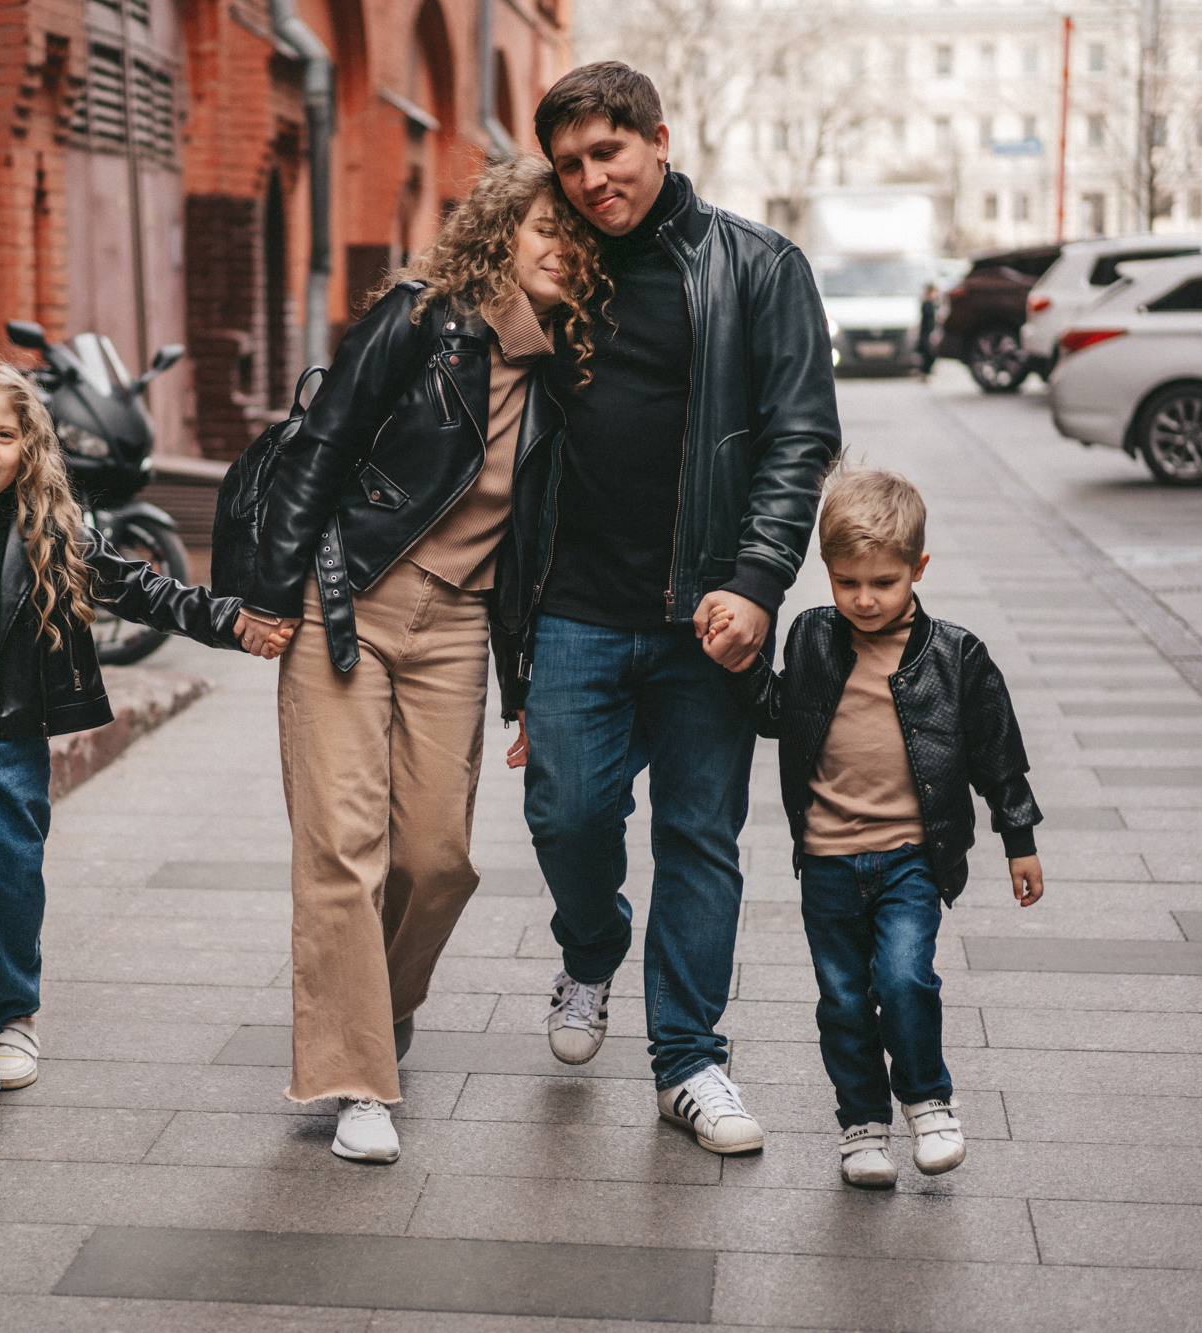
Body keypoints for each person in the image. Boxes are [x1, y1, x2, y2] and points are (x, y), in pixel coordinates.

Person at [498, 62, 840, 1156]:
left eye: (608, 152)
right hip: (573, 608)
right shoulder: (553, 268)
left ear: (655, 136)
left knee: (700, 838)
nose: (592, 180)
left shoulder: (757, 265)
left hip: (706, 615)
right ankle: (589, 947)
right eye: (569, 165)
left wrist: (755, 581)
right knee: (566, 815)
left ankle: (688, 1062)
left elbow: (798, 436)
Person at [237, 156, 602, 1163]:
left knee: (438, 857)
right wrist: (271, 595)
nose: (561, 251)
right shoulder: (419, 320)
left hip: (459, 629)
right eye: (543, 229)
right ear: (499, 230)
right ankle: (356, 1079)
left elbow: (538, 545)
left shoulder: (567, 372)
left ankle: (380, 1008)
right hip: (343, 602)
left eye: (577, 239)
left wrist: (525, 687)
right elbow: (320, 445)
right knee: (341, 846)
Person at [0, 361, 289, 1153]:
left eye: (3, 435)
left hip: (15, 742)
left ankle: (13, 1011)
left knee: (13, 887)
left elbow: (145, 591)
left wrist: (231, 620)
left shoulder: (53, 535)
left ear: (29, 447)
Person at [727, 468, 1045, 1187]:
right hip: (830, 861)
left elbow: (998, 754)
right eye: (847, 583)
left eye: (883, 582)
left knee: (904, 979)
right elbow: (777, 714)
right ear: (827, 573)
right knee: (842, 997)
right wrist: (743, 664)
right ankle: (861, 1123)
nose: (864, 600)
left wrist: (1018, 837)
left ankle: (928, 1099)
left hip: (910, 858)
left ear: (918, 570)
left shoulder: (955, 656)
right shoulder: (810, 636)